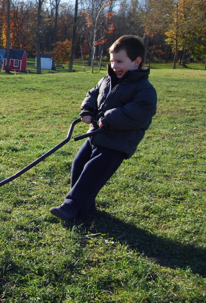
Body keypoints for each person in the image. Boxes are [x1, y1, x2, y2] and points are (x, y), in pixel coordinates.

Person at [50, 35, 157, 221]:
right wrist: (87, 110)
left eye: (120, 61)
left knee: (92, 172)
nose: (114, 66)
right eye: (112, 61)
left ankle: (71, 206)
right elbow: (93, 94)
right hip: (96, 135)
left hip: (117, 143)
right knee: (79, 165)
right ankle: (85, 207)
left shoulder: (144, 89)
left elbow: (138, 112)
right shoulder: (107, 80)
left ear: (136, 62)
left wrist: (109, 118)